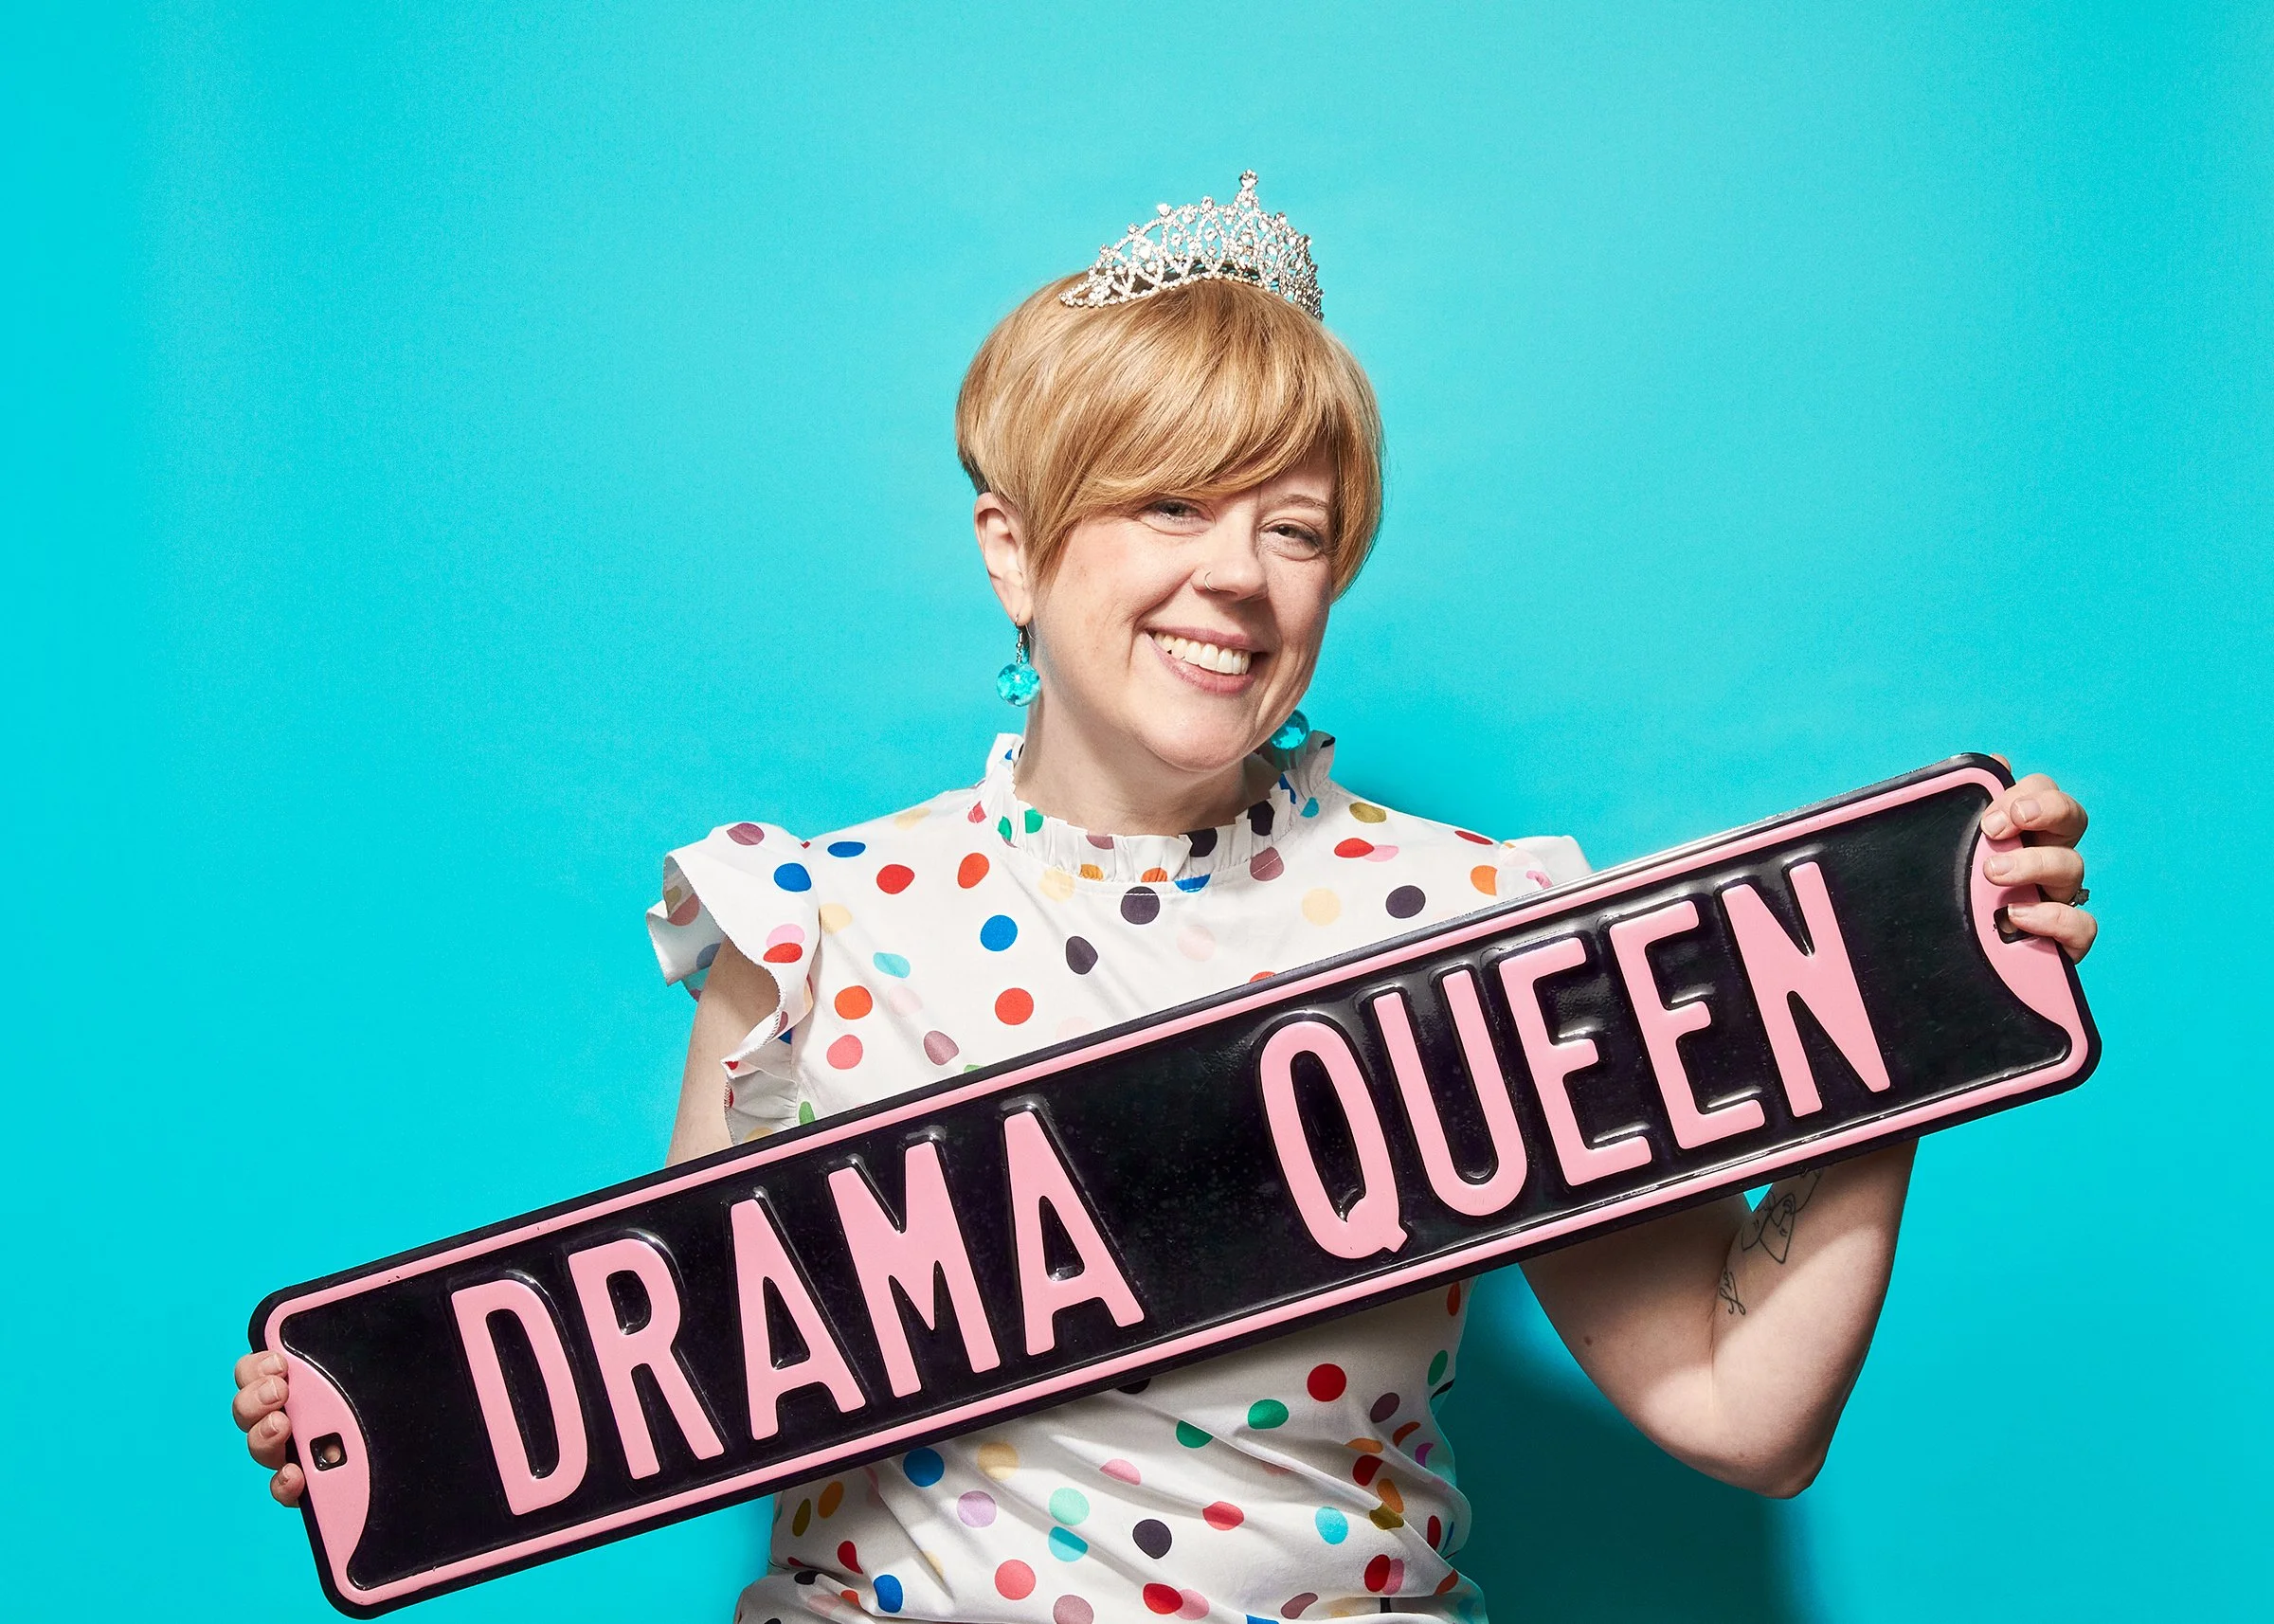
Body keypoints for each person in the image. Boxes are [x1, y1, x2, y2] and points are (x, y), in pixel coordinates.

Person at [232, 173, 2098, 1624]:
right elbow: (655, 1386)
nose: (1238, 577)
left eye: (1297, 528)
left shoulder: (1470, 921)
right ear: (1017, 550)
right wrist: (399, 1415)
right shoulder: (809, 923)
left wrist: (1910, 1017)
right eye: (1170, 506)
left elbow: (1738, 1405)